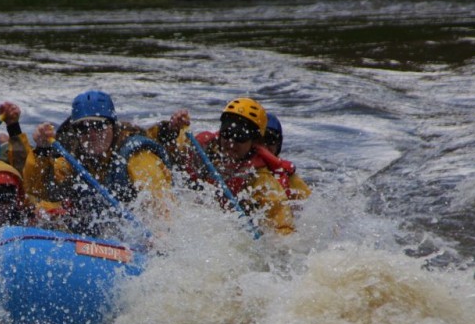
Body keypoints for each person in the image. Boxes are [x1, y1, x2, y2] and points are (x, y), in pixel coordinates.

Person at [23, 90, 173, 239]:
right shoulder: (74, 159)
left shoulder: (138, 157)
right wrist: (42, 150)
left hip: (137, 237)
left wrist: (160, 234)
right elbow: (39, 190)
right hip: (98, 236)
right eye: (82, 128)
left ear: (113, 126)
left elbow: (159, 201)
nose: (91, 134)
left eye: (98, 125)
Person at [200, 97, 295, 235]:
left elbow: (284, 229)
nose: (231, 142)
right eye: (227, 133)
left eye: (240, 136)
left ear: (255, 142)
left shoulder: (263, 182)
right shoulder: (209, 154)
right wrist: (170, 128)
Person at [253, 113, 312, 201]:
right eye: (260, 140)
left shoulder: (288, 176)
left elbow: (308, 202)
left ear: (278, 144)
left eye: (270, 140)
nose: (264, 147)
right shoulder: (238, 169)